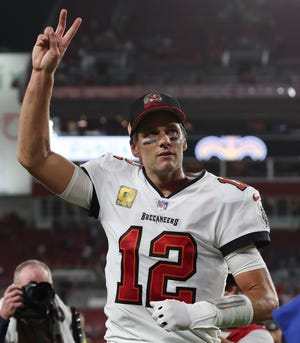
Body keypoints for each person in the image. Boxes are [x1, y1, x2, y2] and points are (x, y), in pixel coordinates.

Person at [17, 8, 279, 343]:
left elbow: (266, 298)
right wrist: (43, 73)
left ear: (185, 140)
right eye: (151, 135)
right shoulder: (112, 178)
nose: (164, 140)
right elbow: (33, 157)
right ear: (135, 147)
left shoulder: (225, 199)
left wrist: (201, 313)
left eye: (172, 131)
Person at [0, 259, 85, 342]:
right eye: (31, 289)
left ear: (51, 287)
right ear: (16, 289)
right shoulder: (3, 313)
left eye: (42, 288)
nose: (37, 294)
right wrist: (3, 318)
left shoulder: (71, 318)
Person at [219, 274, 274, 342]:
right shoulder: (207, 326)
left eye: (241, 291)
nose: (232, 295)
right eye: (227, 288)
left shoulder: (260, 334)